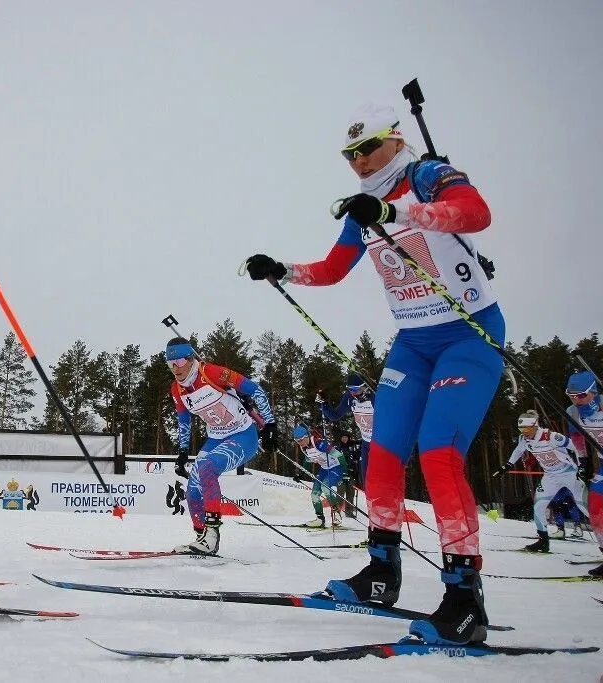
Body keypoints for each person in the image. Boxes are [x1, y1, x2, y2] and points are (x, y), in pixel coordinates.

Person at [244, 102, 504, 645]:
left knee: (437, 451)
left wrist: (398, 214)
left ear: (395, 140)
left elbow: (476, 213)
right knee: (382, 454)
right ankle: (382, 573)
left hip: (467, 334)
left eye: (368, 148)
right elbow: (334, 269)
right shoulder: (362, 208)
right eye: (349, 154)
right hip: (413, 343)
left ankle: (464, 599)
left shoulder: (426, 174)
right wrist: (283, 270)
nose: (359, 160)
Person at [167, 337, 276, 555]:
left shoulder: (212, 373)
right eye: (170, 364)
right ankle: (201, 537)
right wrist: (183, 450)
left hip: (243, 436)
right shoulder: (177, 389)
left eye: (178, 362)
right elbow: (184, 421)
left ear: (190, 359)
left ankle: (212, 537)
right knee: (192, 492)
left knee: (207, 467)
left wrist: (271, 424)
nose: (175, 368)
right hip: (216, 437)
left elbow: (255, 389)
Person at [494, 410, 590, 554]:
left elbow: (574, 445)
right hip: (551, 476)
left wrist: (582, 466)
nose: (524, 432)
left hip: (569, 474)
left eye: (526, 429)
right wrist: (506, 466)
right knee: (539, 506)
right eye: (521, 429)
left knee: (585, 507)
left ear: (535, 426)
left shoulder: (550, 436)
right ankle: (543, 542)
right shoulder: (524, 439)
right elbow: (518, 451)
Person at [563, 371, 603, 577]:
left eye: (579, 396)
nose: (575, 400)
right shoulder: (574, 412)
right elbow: (577, 438)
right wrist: (584, 462)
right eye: (570, 395)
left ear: (593, 392)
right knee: (595, 508)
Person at [316, 371, 374, 489]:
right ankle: (373, 506)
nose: (353, 392)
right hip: (366, 443)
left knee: (382, 478)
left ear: (365, 386)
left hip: (381, 443)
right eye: (350, 389)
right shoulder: (349, 397)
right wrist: (324, 404)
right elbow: (335, 415)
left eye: (356, 389)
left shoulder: (374, 397)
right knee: (366, 480)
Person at [291, 425, 347, 528]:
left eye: (301, 439)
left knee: (325, 486)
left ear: (307, 436)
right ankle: (320, 519)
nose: (300, 442)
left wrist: (345, 474)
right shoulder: (304, 448)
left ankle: (337, 516)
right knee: (314, 494)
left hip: (336, 467)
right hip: (324, 469)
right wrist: (300, 474)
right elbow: (307, 461)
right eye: (297, 440)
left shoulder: (319, 443)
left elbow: (340, 455)